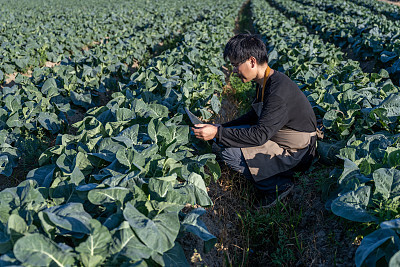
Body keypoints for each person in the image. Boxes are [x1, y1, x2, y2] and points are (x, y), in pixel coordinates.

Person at [192, 33, 317, 208]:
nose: (234, 71)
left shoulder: (277, 92)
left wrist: (218, 133)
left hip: (297, 152)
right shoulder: (267, 80)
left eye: (236, 65)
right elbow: (253, 115)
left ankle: (277, 186)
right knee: (230, 135)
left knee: (229, 150)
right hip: (281, 138)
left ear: (251, 61)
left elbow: (259, 136)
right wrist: (221, 127)